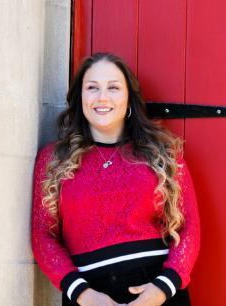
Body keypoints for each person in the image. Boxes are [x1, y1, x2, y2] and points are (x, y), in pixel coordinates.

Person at [31, 52, 201, 306]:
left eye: (113, 87)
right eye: (92, 88)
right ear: (80, 97)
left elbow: (189, 226)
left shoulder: (162, 152)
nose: (102, 97)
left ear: (129, 97)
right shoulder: (54, 159)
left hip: (157, 293)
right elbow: (42, 235)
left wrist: (163, 287)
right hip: (88, 296)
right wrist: (82, 295)